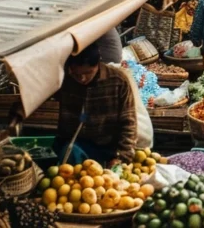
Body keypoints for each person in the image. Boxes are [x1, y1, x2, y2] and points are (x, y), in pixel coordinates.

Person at [9, 43, 137, 166]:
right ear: (69, 67)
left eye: (88, 73)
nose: (82, 78)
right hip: (71, 143)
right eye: (76, 74)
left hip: (106, 146)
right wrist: (16, 117)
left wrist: (122, 156)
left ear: (97, 65)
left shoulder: (118, 81)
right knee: (70, 159)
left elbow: (129, 121)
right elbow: (35, 93)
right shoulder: (62, 78)